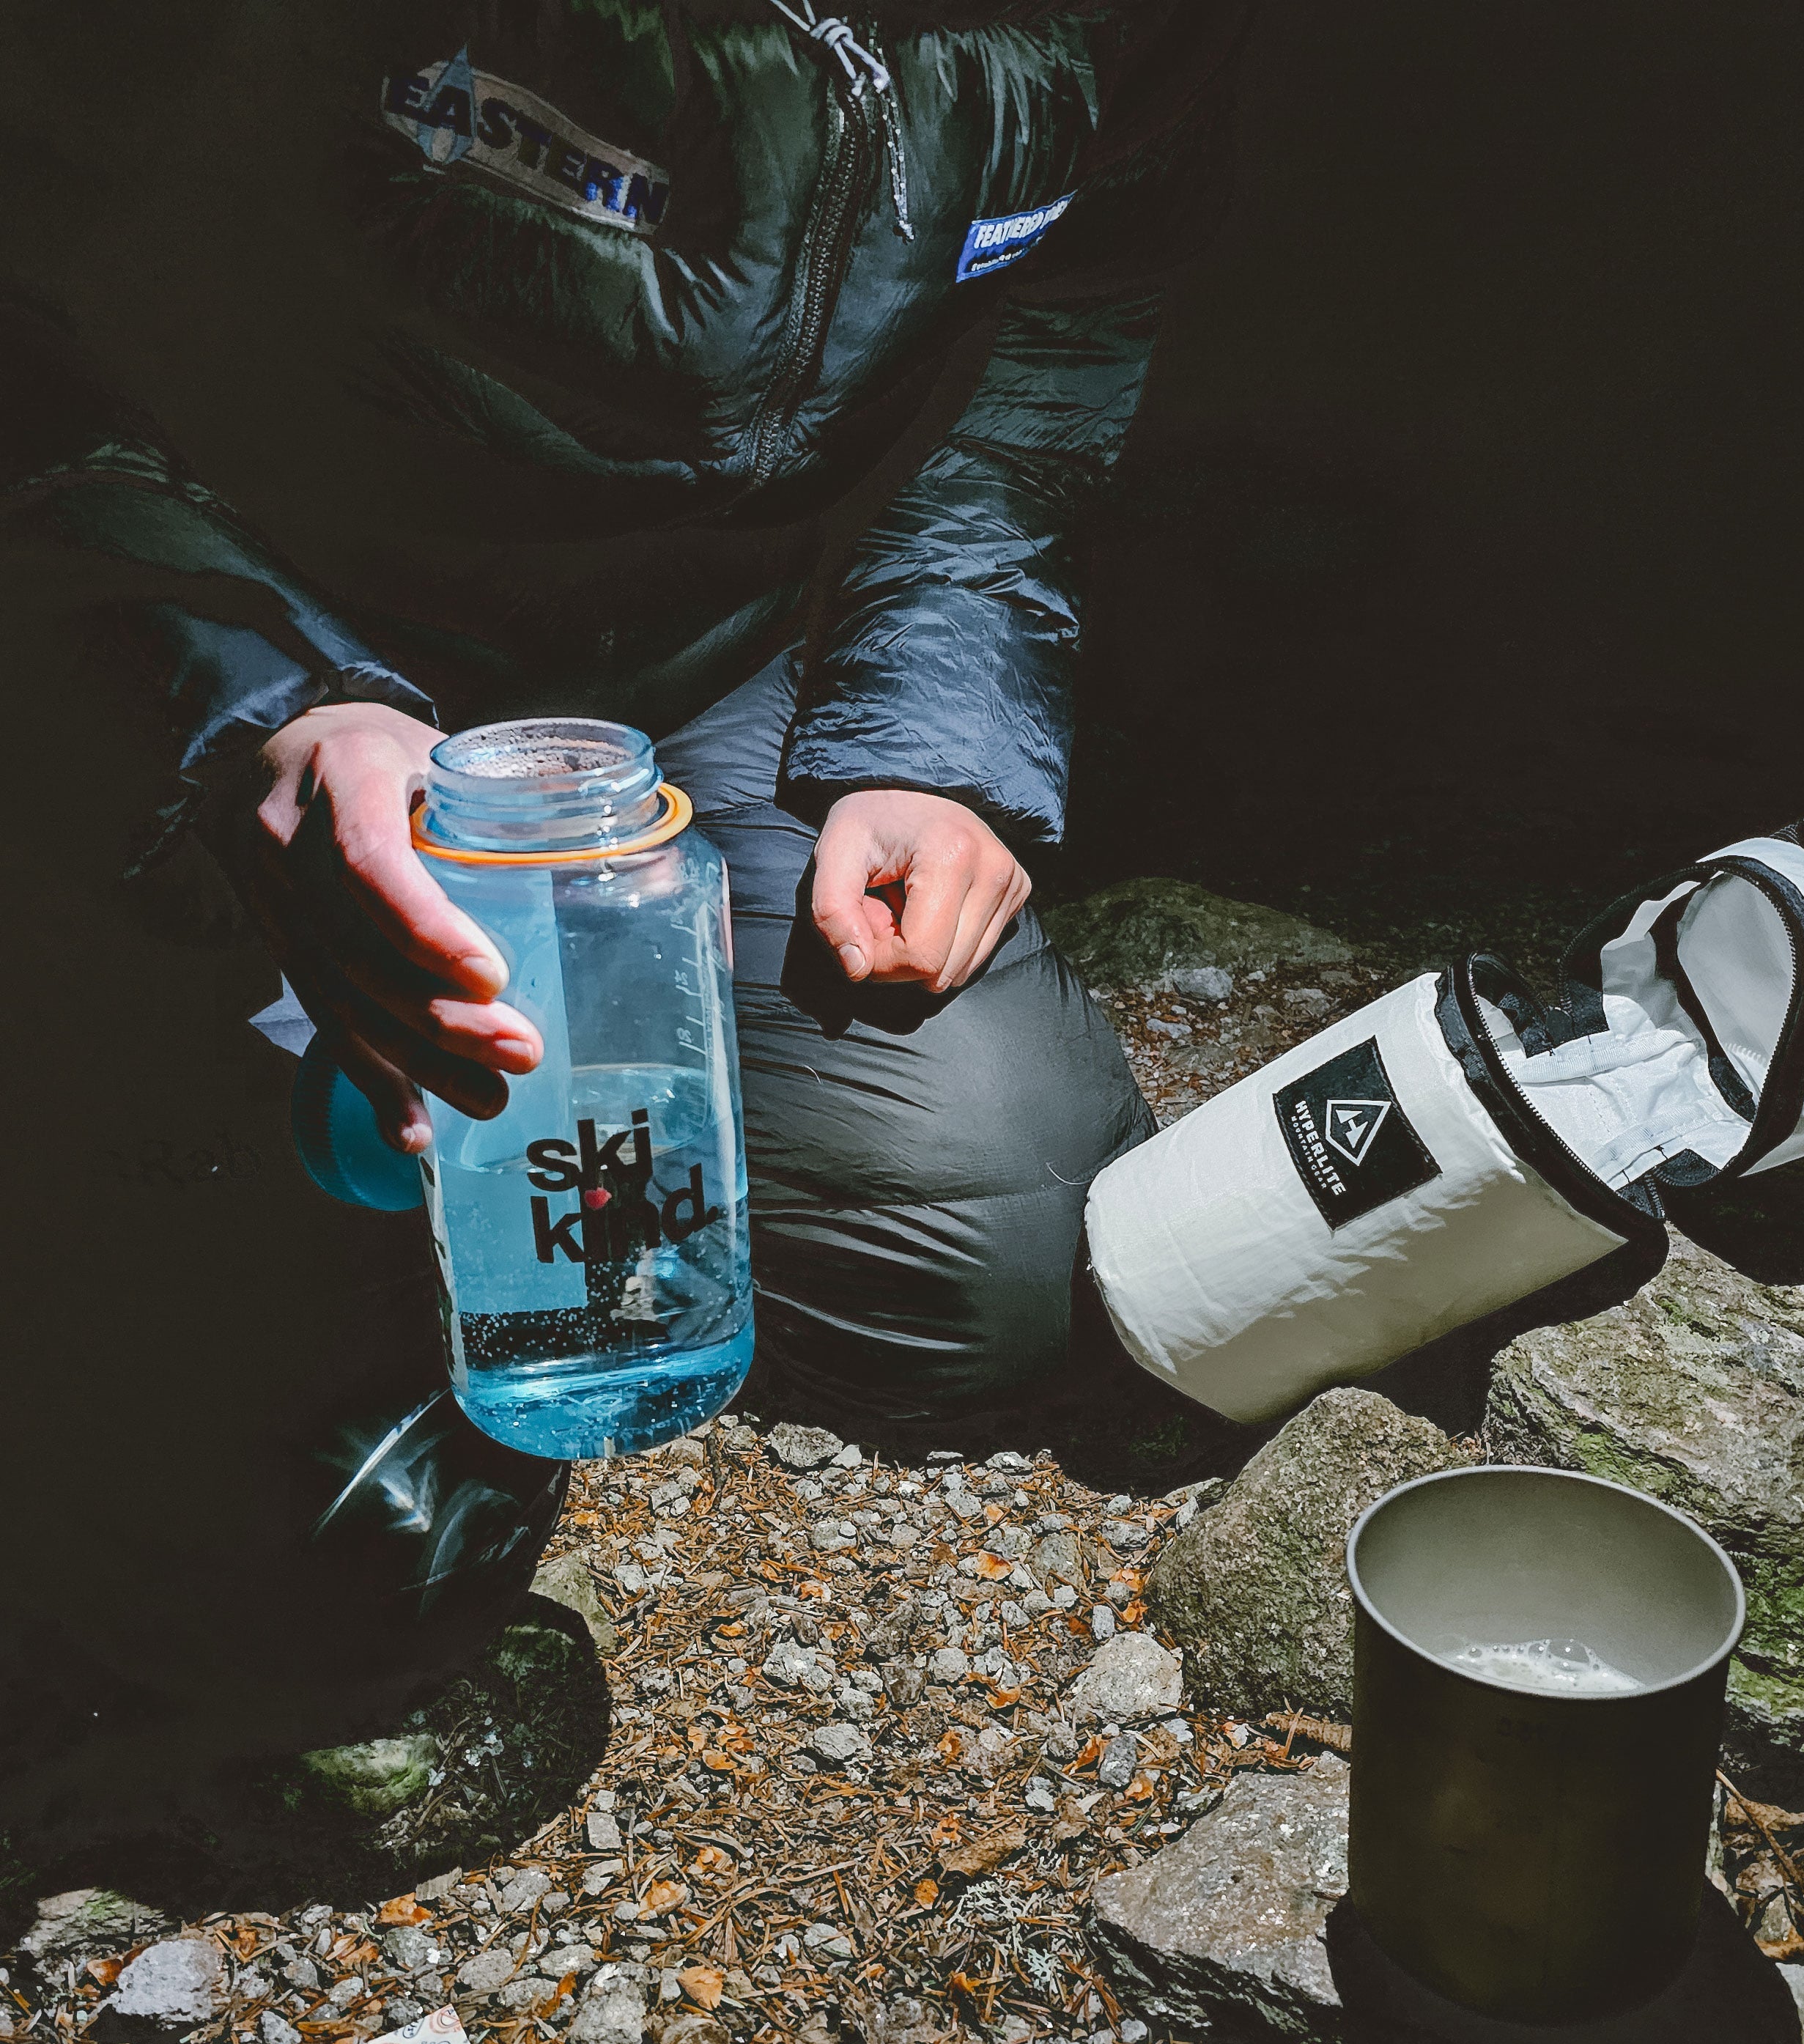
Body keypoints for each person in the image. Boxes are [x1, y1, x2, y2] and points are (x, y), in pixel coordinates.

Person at [0, 1, 1249, 1817]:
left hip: (665, 679)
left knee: (991, 1252)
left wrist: (930, 741)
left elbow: (1054, 343)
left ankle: (395, 1211)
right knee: (284, 1584)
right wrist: (245, 698)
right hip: (221, 621)